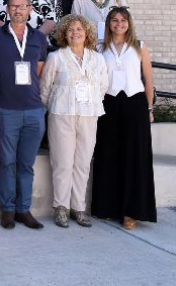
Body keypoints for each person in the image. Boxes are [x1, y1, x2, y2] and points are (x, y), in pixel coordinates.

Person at [0, 0, 49, 230]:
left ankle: (24, 210)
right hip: (5, 109)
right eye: (13, 6)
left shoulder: (39, 39)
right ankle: (8, 210)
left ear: (30, 9)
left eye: (22, 6)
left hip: (33, 110)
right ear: (7, 10)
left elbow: (39, 73)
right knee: (6, 162)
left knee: (26, 164)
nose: (18, 10)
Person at [40, 15, 108, 228]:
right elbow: (45, 88)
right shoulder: (57, 57)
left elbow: (103, 86)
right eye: (70, 30)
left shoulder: (97, 59)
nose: (75, 33)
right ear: (64, 34)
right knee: (63, 162)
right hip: (62, 114)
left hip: (88, 114)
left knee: (83, 162)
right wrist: (54, 106)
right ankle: (61, 207)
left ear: (86, 32)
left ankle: (78, 207)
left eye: (79, 29)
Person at [92, 7, 156, 230]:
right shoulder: (101, 48)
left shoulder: (139, 47)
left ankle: (132, 212)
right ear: (109, 23)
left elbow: (148, 80)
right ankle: (109, 207)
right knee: (109, 155)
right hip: (108, 104)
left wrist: (149, 108)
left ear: (129, 23)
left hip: (135, 105)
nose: (119, 24)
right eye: (114, 20)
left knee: (134, 158)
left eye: (123, 20)